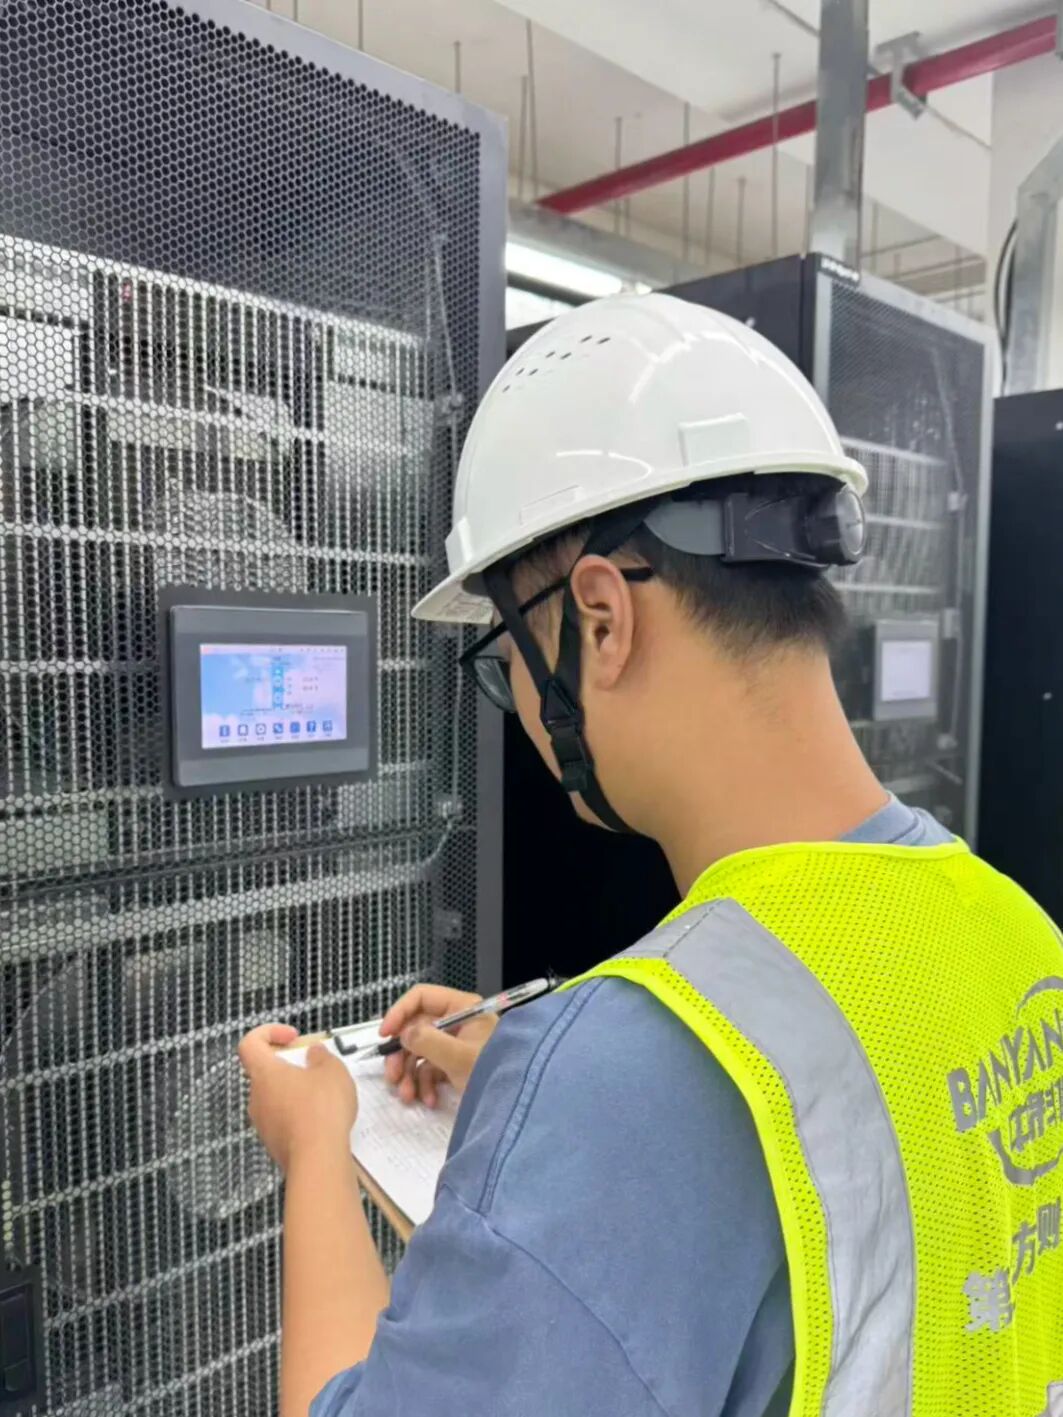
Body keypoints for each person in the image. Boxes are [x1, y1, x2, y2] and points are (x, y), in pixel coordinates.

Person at [239, 293, 1063, 1417]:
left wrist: (315, 1148)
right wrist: (537, 1093)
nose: (525, 714)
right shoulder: (1016, 930)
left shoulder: (626, 1077)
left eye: (507, 657)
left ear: (601, 617)